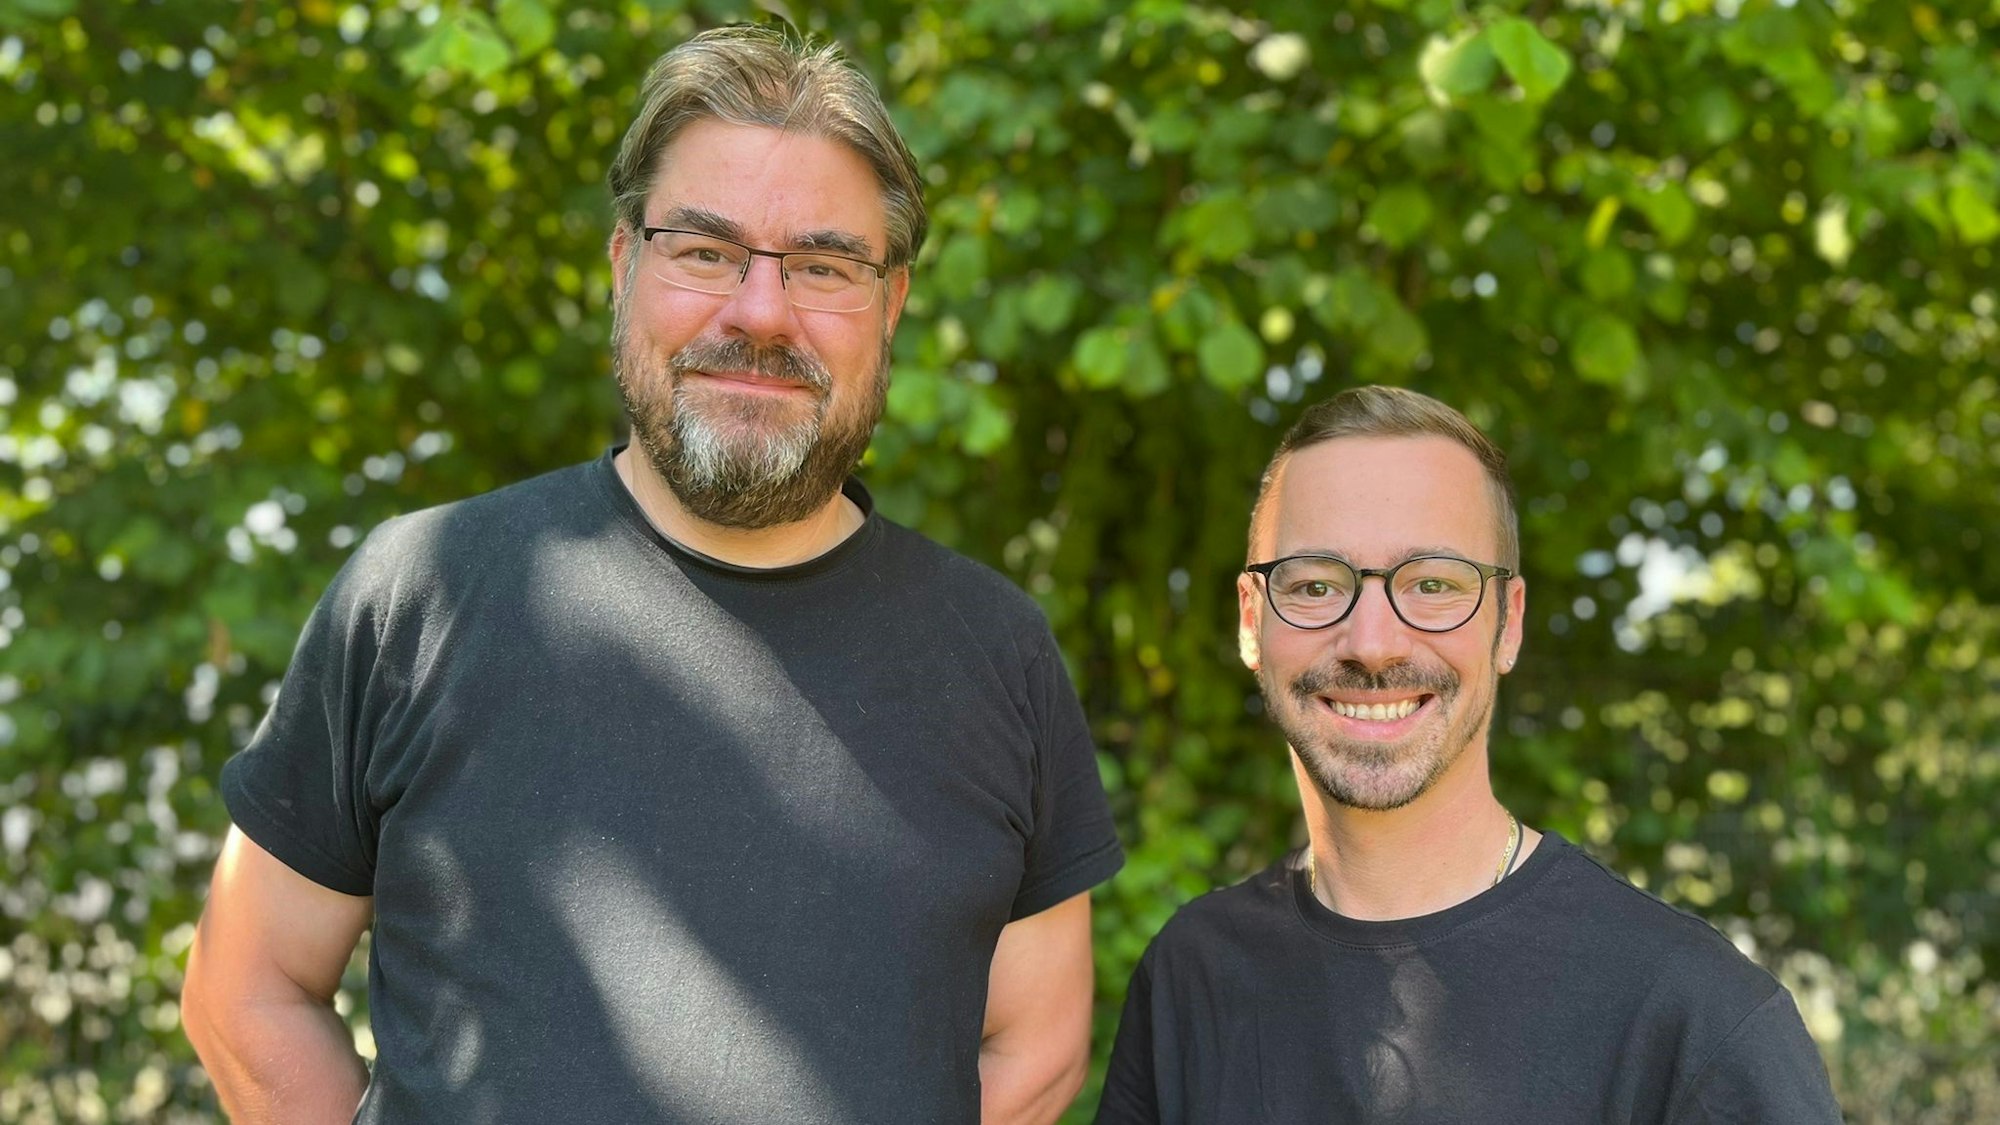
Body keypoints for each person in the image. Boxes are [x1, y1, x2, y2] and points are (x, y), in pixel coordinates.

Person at [181, 26, 1122, 1125]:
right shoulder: (422, 595)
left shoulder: (994, 652)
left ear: (892, 302)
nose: (760, 313)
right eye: (705, 251)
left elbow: (1037, 1047)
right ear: (625, 263)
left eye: (821, 266)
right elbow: (248, 992)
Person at [1095, 386, 1840, 1123]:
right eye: (1317, 584)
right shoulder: (1193, 977)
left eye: (1433, 585)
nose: (1373, 644)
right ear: (1252, 620)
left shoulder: (1693, 1023)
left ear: (1508, 624)